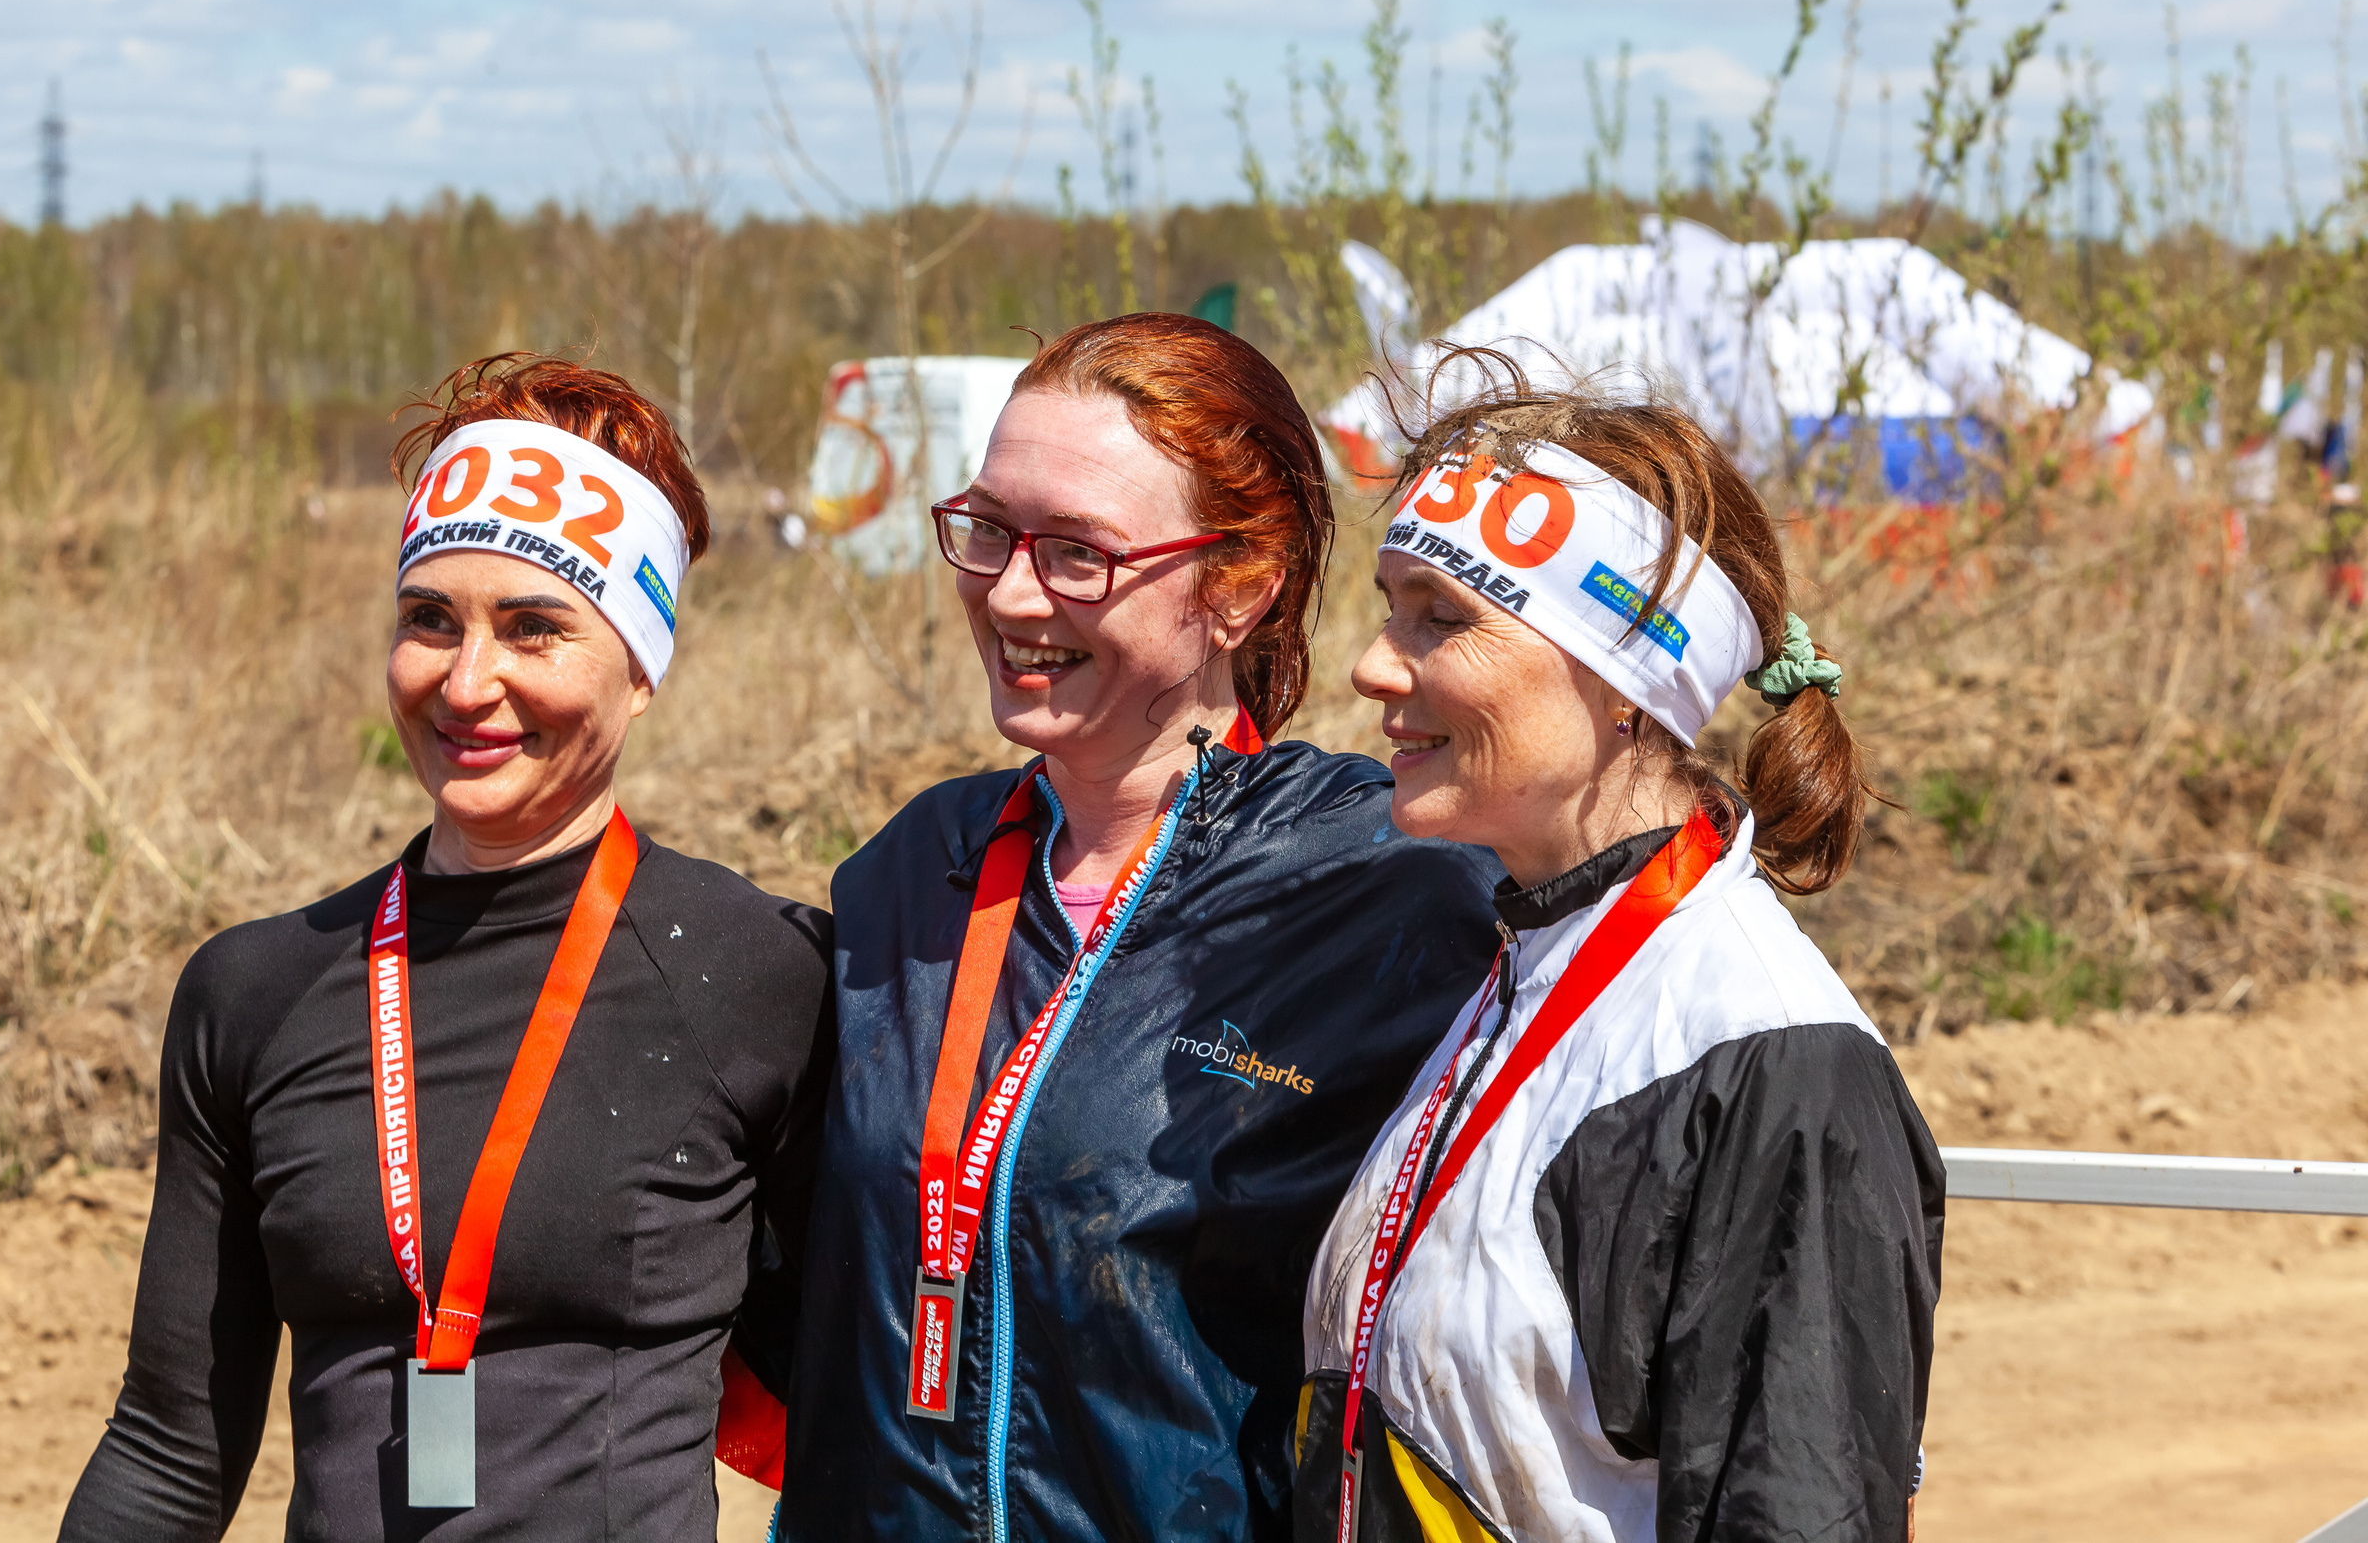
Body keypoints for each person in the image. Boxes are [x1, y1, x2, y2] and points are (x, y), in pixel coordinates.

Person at [61, 355, 833, 1541]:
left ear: (638, 671)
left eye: (535, 628)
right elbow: (170, 1449)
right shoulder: (255, 991)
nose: (467, 684)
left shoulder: (763, 978)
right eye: (430, 620)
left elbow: (853, 1414)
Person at [777, 313, 1505, 1543]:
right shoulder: (910, 872)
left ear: (1239, 588)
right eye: (990, 530)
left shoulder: (1392, 886)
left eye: (1077, 554)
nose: (1009, 591)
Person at [1294, 373, 1944, 1543]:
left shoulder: (1771, 1061)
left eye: (1440, 618)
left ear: (1628, 684)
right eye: (1389, 608)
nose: (1373, 667)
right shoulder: (1531, 951)